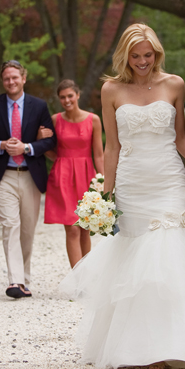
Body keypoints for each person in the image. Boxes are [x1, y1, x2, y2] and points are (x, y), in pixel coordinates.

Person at [59, 23, 185, 369]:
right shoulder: (111, 89)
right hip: (132, 182)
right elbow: (112, 146)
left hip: (168, 180)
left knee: (169, 254)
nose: (143, 61)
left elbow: (180, 138)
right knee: (137, 262)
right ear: (125, 56)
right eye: (135, 56)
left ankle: (183, 344)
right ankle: (139, 349)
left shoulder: (174, 84)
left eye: (148, 55)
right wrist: (106, 193)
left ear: (157, 53)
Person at [0, 60, 57, 299]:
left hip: (31, 175)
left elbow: (51, 140)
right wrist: (0, 144)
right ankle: (15, 281)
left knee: (27, 230)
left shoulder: (39, 106)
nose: (11, 82)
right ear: (3, 81)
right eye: (6, 79)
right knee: (11, 225)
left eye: (14, 78)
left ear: (23, 78)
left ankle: (24, 280)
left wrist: (27, 147)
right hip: (3, 176)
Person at [39, 80, 105, 268]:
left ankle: (86, 275)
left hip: (87, 176)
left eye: (70, 96)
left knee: (85, 228)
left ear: (78, 95)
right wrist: (59, 159)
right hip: (63, 177)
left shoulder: (93, 119)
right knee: (73, 229)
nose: (67, 100)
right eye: (62, 97)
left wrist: (104, 182)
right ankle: (76, 278)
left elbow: (98, 155)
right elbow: (44, 146)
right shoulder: (54, 120)